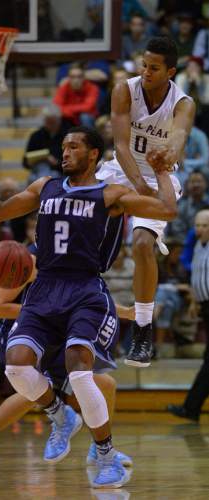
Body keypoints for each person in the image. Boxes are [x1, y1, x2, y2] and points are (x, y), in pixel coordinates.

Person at [0, 126, 177, 488]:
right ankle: (60, 415)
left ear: (93, 156)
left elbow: (167, 210)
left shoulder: (110, 194)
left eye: (74, 146)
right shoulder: (45, 187)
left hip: (85, 289)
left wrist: (163, 171)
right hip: (45, 289)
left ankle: (105, 455)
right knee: (17, 367)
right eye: (63, 147)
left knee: (81, 372)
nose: (66, 152)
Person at [0, 251, 134, 471]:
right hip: (25, 331)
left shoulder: (77, 261)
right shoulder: (28, 260)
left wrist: (126, 312)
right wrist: (52, 311)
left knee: (105, 385)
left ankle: (101, 449)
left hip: (56, 331)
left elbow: (89, 301)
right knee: (35, 391)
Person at [96, 36, 195, 367]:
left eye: (154, 68)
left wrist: (169, 155)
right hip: (120, 171)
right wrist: (138, 185)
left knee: (141, 245)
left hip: (158, 174)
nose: (146, 72)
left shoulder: (183, 103)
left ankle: (142, 329)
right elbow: (121, 146)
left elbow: (179, 136)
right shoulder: (126, 89)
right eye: (144, 65)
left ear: (170, 70)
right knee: (74, 215)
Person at [167, 209, 209, 421]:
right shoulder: (199, 247)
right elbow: (200, 277)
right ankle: (191, 408)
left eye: (205, 225)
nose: (200, 229)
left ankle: (191, 408)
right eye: (198, 225)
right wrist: (195, 301)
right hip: (205, 305)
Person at [167, 170, 209, 243]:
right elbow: (178, 230)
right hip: (186, 244)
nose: (196, 185)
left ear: (206, 184)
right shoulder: (181, 206)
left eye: (199, 181)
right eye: (192, 182)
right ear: (187, 185)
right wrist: (191, 243)